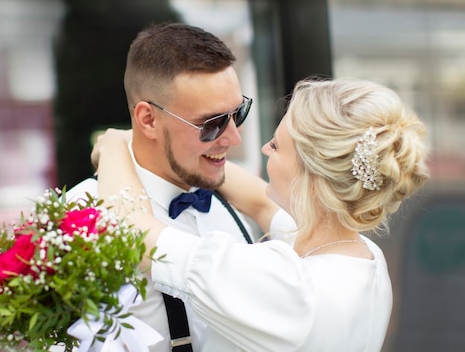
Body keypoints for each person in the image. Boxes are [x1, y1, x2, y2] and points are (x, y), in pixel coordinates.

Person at [92, 78, 430, 352]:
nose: (265, 149)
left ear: (311, 177)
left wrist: (113, 145)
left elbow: (133, 228)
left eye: (277, 146)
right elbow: (259, 202)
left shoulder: (286, 287)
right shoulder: (363, 257)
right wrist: (186, 154)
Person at [65, 22, 276, 352]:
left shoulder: (241, 204)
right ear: (148, 120)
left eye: (238, 113)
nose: (234, 138)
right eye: (212, 124)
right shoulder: (77, 218)